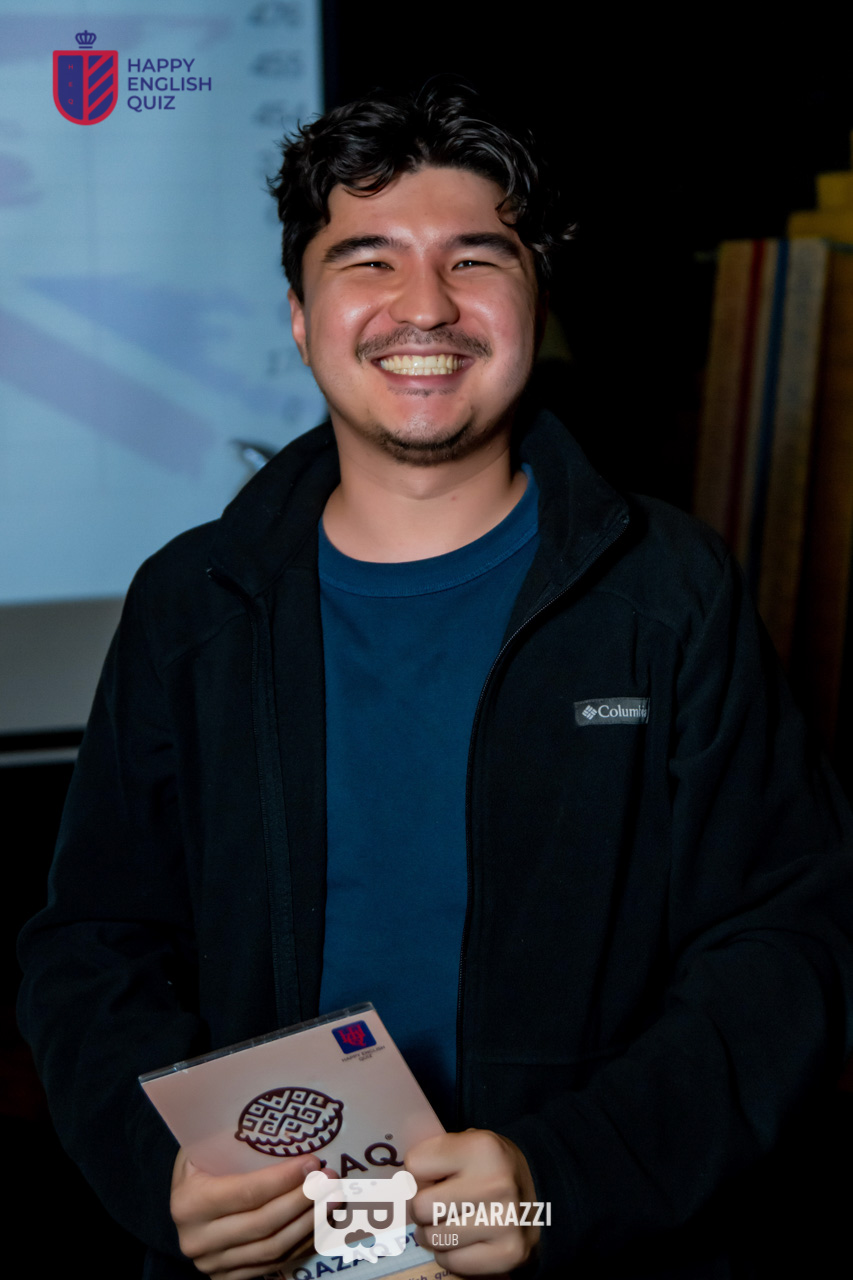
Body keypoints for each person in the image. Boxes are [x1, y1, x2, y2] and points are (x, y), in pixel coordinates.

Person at [17, 82, 853, 1280]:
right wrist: (161, 1171)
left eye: (475, 259)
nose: (424, 306)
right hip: (278, 1261)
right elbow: (92, 944)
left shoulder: (669, 594)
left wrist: (562, 1180)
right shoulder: (191, 605)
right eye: (368, 260)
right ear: (300, 316)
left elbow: (784, 943)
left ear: (534, 301)